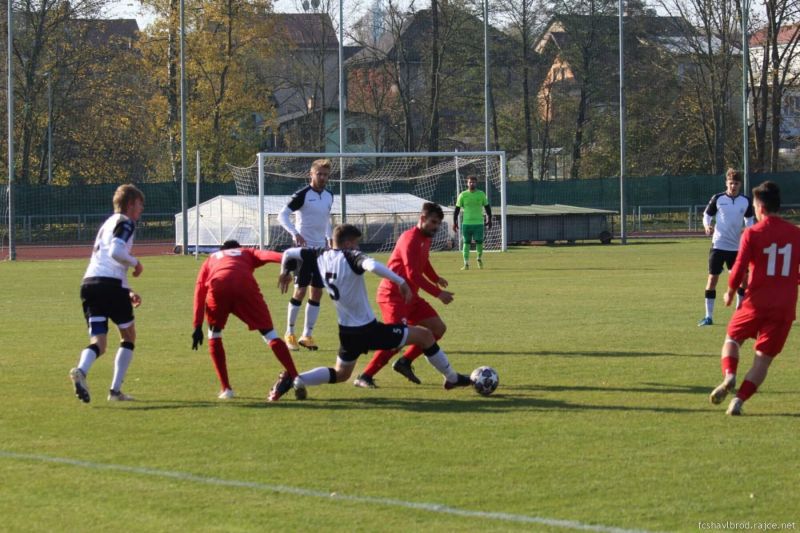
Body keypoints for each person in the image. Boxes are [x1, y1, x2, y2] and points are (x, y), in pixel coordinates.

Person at [277, 224, 472, 400]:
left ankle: (295, 378)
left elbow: (289, 253)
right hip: (368, 330)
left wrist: (285, 272)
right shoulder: (351, 256)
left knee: (341, 374)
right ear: (347, 244)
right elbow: (373, 266)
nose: (358, 248)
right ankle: (452, 378)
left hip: (347, 332)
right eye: (356, 244)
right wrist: (400, 281)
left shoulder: (320, 254)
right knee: (426, 336)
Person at [708, 181, 800, 415]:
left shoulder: (752, 233)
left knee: (732, 338)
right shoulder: (795, 234)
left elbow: (738, 268)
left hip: (756, 303)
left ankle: (729, 376)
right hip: (783, 308)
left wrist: (730, 290)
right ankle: (738, 401)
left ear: (759, 207)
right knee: (762, 359)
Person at [353, 202, 454, 388]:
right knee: (396, 339)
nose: (436, 227)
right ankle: (364, 376)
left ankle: (404, 362)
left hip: (411, 297)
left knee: (438, 328)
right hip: (393, 295)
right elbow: (412, 274)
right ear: (422, 218)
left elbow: (423, 263)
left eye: (438, 223)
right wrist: (438, 293)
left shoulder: (426, 237)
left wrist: (436, 278)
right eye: (433, 222)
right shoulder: (409, 238)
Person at [191, 240, 300, 401]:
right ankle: (296, 377)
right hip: (244, 286)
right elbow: (271, 255)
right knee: (269, 334)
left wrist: (197, 325)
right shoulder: (246, 252)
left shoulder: (212, 258)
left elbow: (200, 289)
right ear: (238, 248)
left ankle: (226, 389)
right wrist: (288, 262)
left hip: (218, 287)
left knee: (214, 335)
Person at [69, 184, 145, 403]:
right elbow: (116, 252)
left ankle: (81, 371)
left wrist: (127, 289)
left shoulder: (107, 224)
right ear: (130, 204)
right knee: (128, 336)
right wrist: (136, 263)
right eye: (140, 204)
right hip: (110, 286)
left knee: (99, 343)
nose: (141, 209)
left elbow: (105, 261)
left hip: (90, 284)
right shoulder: (126, 222)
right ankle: (115, 391)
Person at [277, 158, 334, 351]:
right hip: (303, 251)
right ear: (311, 174)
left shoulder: (328, 196)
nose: (323, 178)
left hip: (320, 251)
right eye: (319, 174)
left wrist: (328, 237)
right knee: (300, 291)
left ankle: (307, 335)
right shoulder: (302, 195)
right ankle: (289, 332)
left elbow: (326, 219)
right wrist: (295, 233)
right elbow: (282, 215)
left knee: (317, 291)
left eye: (326, 175)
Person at [698, 168, 754, 326]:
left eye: (736, 183)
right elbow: (707, 215)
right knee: (712, 279)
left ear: (740, 184)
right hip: (718, 245)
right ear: (726, 183)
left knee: (743, 280)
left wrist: (748, 232)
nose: (733, 186)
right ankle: (708, 316)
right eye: (731, 183)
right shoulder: (718, 198)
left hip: (737, 248)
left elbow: (749, 220)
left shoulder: (745, 201)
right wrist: (707, 226)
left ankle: (739, 311)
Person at [453, 175, 492, 270]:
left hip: (479, 223)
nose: (472, 184)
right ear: (467, 183)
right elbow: (457, 210)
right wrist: (454, 222)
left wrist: (489, 219)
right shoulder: (462, 195)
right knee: (466, 242)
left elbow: (487, 207)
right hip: (466, 223)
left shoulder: (481, 194)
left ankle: (479, 259)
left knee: (479, 242)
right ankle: (466, 264)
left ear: (476, 183)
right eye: (470, 182)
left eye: (473, 182)